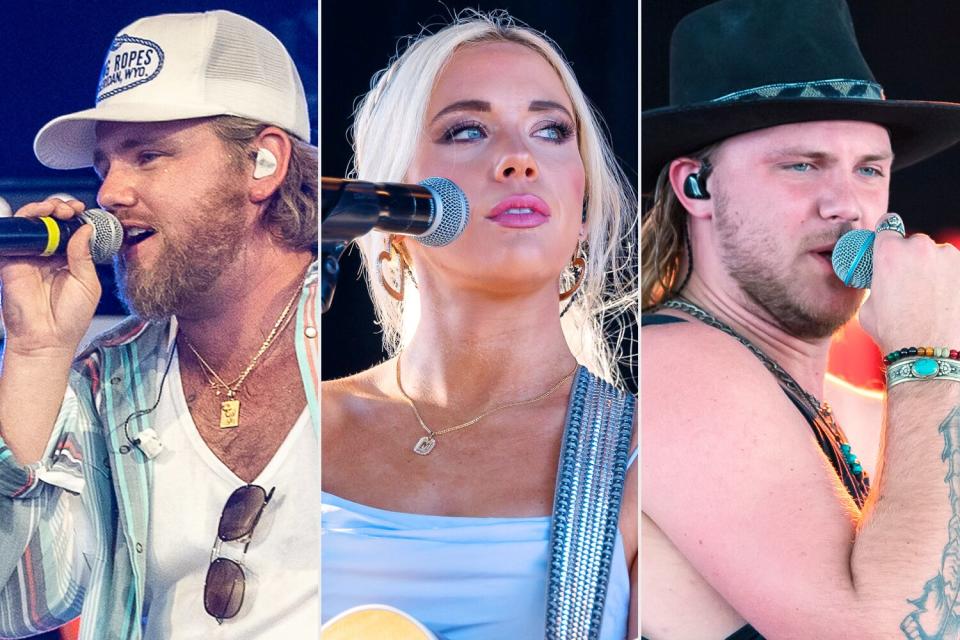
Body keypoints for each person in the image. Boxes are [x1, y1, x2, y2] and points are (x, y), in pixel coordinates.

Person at [641, 0, 960, 638]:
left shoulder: (868, 408)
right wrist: (929, 356)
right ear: (695, 188)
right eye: (802, 165)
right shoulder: (669, 370)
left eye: (870, 170)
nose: (848, 206)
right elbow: (896, 631)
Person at [0, 10, 318, 639]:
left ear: (262, 162)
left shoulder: (366, 333)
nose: (111, 193)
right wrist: (36, 352)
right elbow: (18, 603)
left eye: (148, 156)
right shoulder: (103, 379)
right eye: (103, 168)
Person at [320, 10, 637, 640]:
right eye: (466, 130)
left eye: (550, 130)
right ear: (395, 194)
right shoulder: (302, 426)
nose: (518, 158)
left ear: (581, 206)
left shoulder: (638, 459)